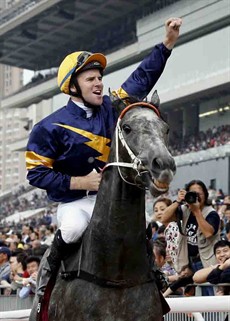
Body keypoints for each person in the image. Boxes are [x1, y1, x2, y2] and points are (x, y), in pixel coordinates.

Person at [25, 17, 182, 298]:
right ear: (73, 86)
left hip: (114, 198)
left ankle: (152, 275)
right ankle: (46, 283)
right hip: (76, 203)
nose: (99, 83)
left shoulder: (112, 107)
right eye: (91, 79)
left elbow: (141, 78)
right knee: (72, 229)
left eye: (99, 78)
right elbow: (36, 173)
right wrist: (80, 181)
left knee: (142, 225)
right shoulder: (48, 127)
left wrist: (167, 44)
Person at [161, 179, 220, 296]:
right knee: (197, 298)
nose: (196, 197)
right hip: (191, 263)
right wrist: (178, 201)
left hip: (207, 263)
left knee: (210, 295)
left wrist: (197, 211)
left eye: (199, 194)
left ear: (206, 195)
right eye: (193, 193)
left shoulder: (211, 213)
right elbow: (164, 218)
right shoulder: (185, 210)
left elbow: (208, 233)